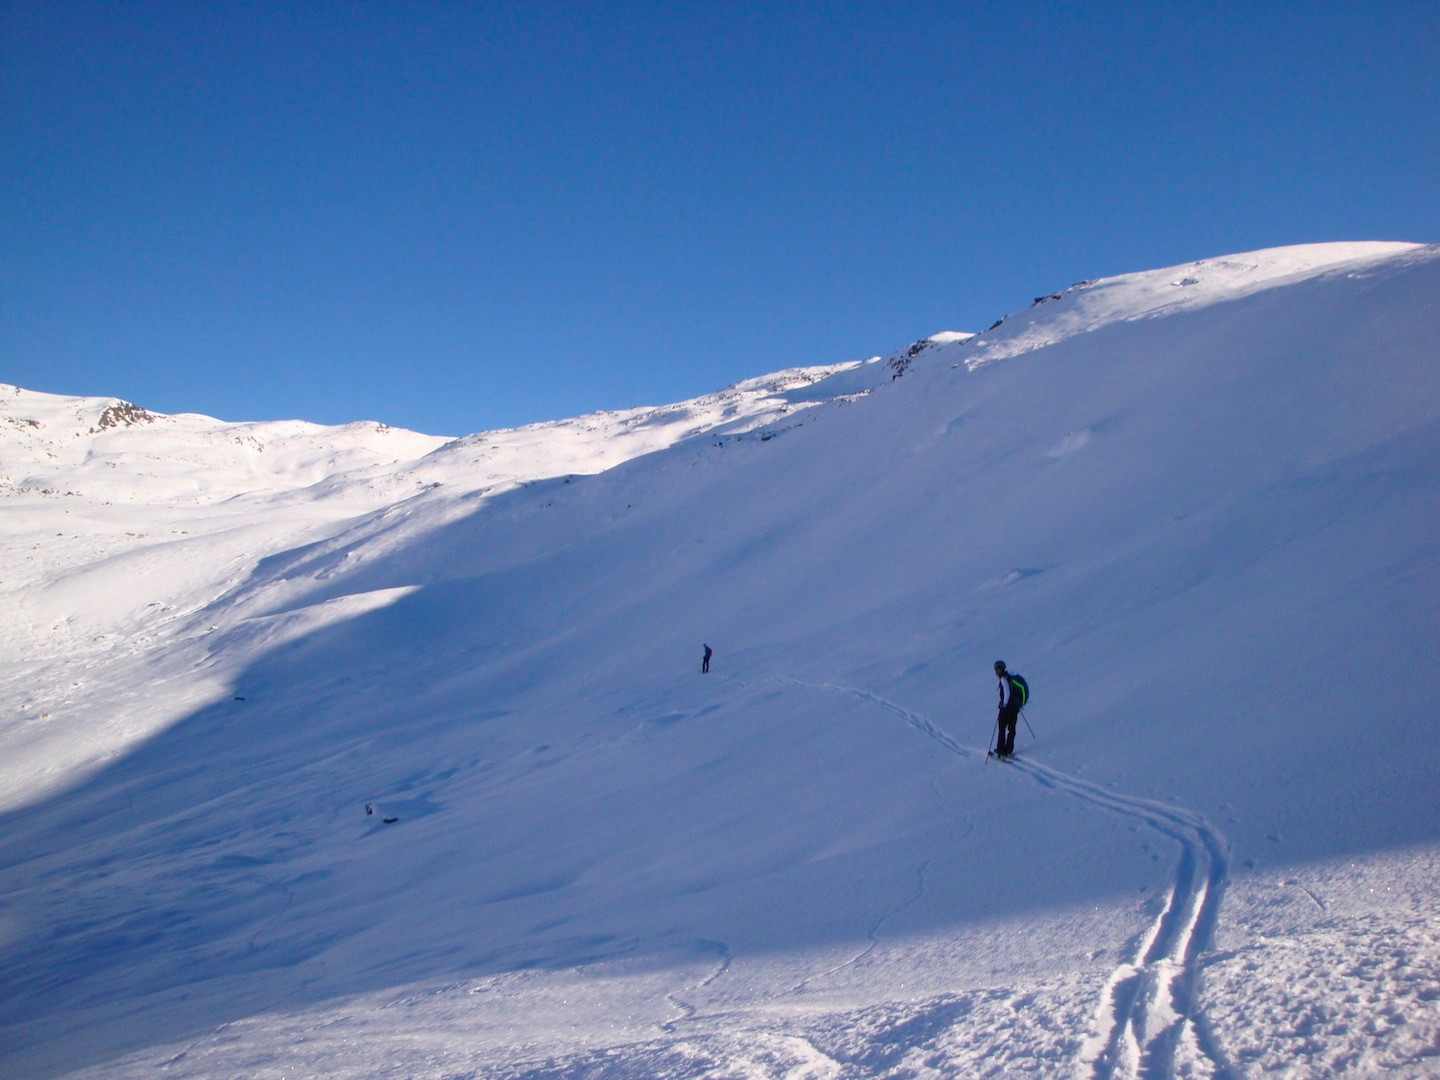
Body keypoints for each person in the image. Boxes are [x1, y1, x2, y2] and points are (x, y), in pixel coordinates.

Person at [993, 660, 1020, 758]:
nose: (995, 671)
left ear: (1001, 669)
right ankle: (1009, 749)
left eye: (997, 668)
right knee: (1012, 728)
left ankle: (1001, 750)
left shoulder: (1003, 679)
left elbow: (1007, 693)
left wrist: (1003, 704)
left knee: (1002, 728)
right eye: (995, 668)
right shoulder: (1009, 677)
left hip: (1007, 708)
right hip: (1015, 707)